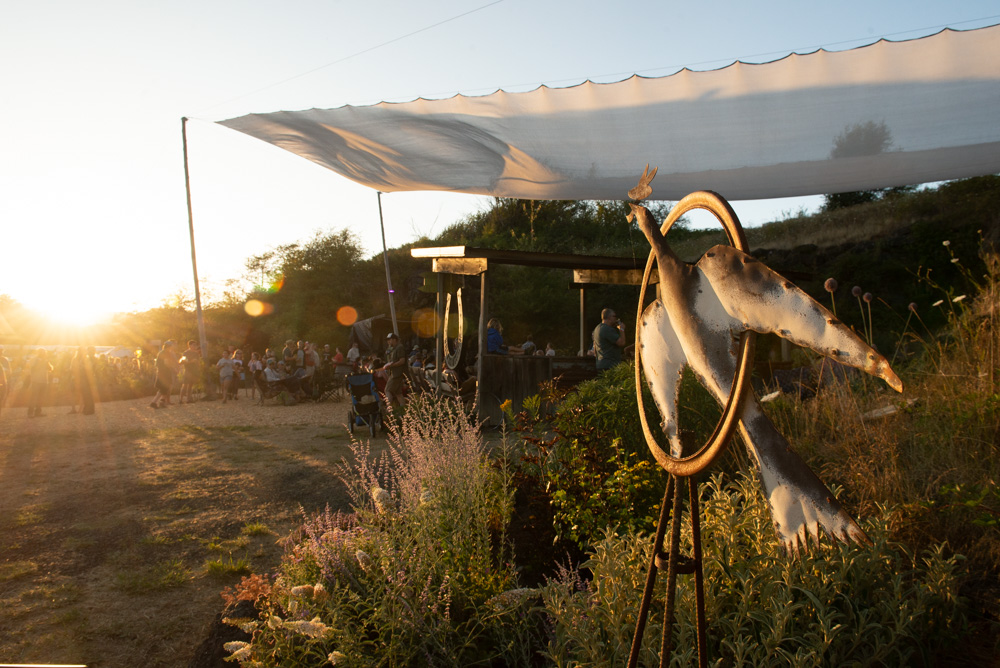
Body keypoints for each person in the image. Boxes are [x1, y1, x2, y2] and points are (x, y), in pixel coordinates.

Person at [382, 332, 407, 410]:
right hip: (395, 373)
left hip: (396, 374)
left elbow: (402, 360)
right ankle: (404, 410)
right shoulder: (393, 349)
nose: (388, 342)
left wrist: (391, 365)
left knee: (387, 390)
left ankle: (388, 410)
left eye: (389, 340)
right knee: (398, 393)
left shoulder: (400, 348)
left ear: (394, 339)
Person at [150, 341, 178, 409]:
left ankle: (162, 402)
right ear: (169, 346)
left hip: (163, 372)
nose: (173, 347)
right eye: (172, 346)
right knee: (163, 388)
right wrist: (173, 368)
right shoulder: (165, 353)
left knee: (165, 388)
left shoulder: (164, 352)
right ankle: (154, 402)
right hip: (164, 372)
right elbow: (166, 363)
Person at [27, 348, 53, 417]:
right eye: (42, 352)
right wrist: (39, 362)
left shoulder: (45, 360)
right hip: (36, 380)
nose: (43, 354)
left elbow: (50, 369)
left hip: (44, 380)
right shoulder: (33, 359)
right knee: (34, 397)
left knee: (41, 397)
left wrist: (47, 363)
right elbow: (32, 369)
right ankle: (30, 413)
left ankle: (38, 412)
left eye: (44, 353)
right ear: (38, 353)